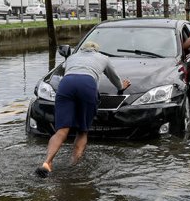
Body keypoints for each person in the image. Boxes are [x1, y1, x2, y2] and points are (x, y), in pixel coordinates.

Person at [36, 41, 130, 177]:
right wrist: (121, 86)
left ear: (82, 50)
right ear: (96, 50)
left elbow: (67, 73)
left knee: (61, 130)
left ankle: (47, 162)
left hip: (66, 84)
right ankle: (73, 166)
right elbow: (115, 79)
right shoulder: (103, 58)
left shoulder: (72, 58)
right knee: (82, 131)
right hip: (87, 84)